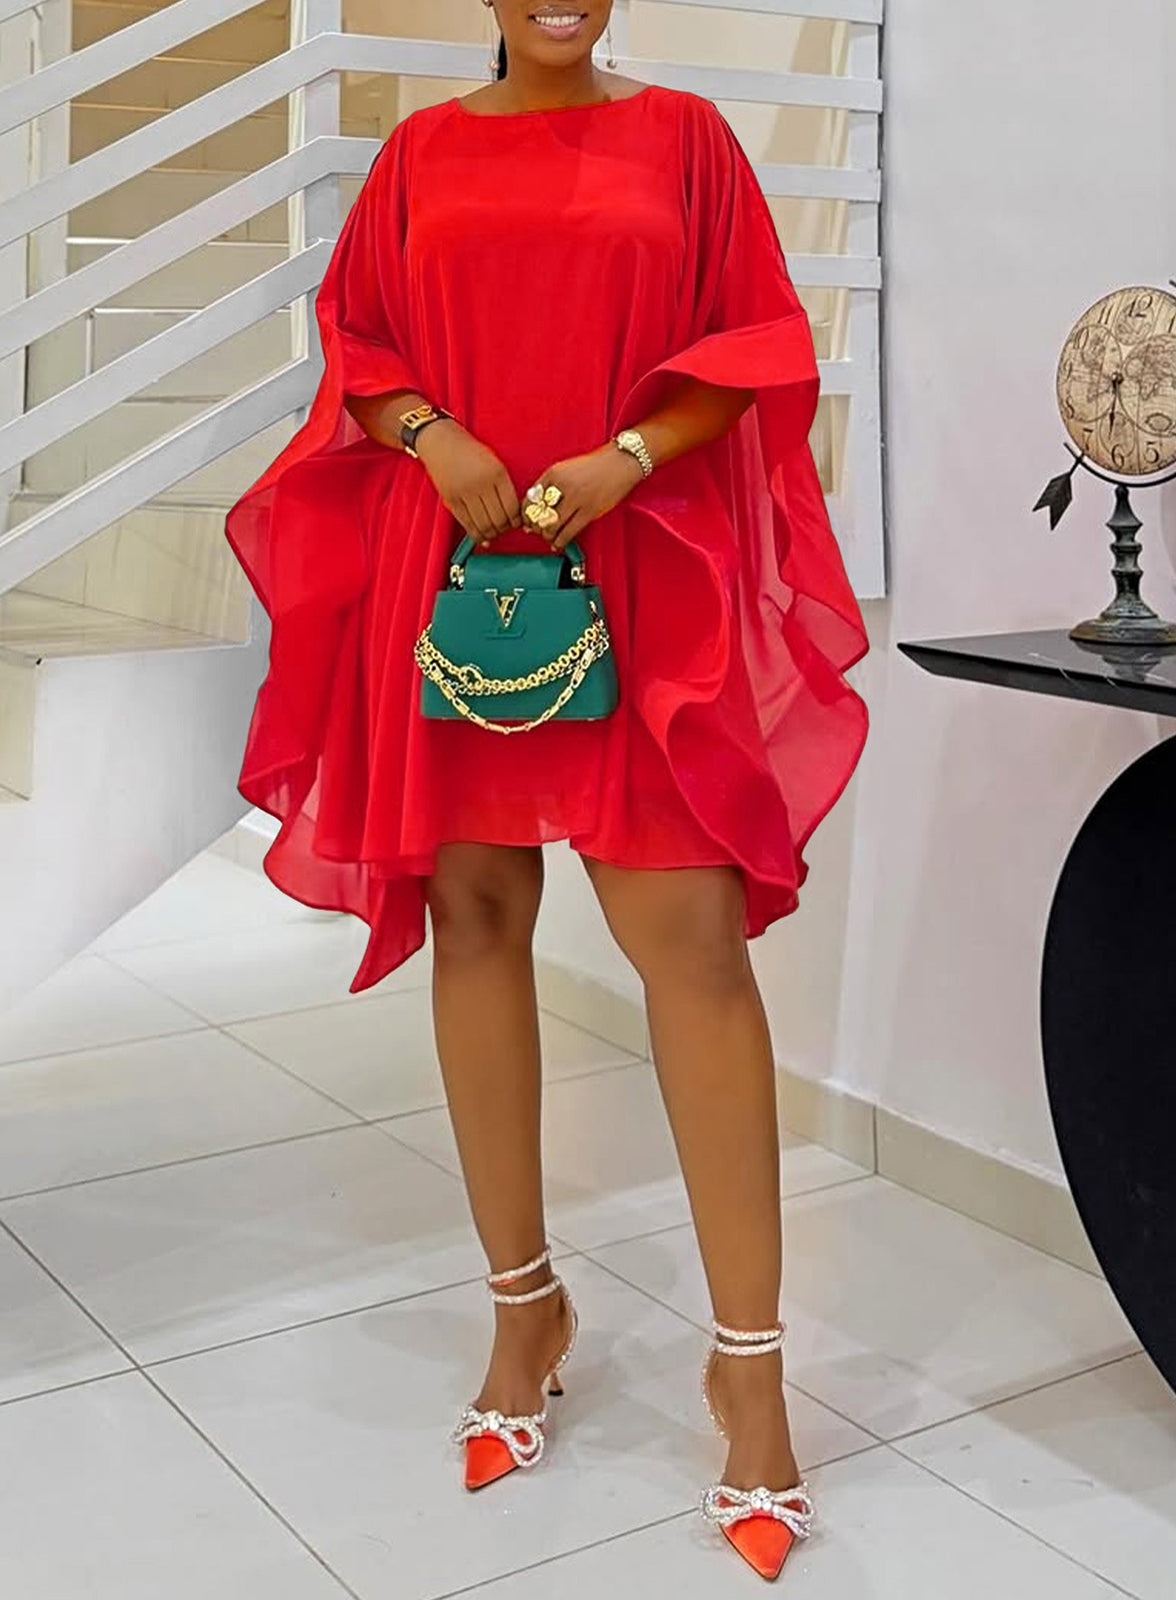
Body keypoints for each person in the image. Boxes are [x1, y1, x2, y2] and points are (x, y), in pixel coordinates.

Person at [224, 0, 868, 1580]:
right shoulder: (419, 156)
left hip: (635, 571)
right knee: (475, 917)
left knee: (694, 950)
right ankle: (525, 1314)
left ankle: (751, 1374)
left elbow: (750, 344)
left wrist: (626, 457)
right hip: (459, 581)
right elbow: (362, 347)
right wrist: (433, 434)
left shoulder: (688, 142)